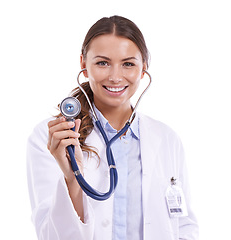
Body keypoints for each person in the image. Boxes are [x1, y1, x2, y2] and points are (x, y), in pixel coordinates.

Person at [27, 15, 199, 240]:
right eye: (102, 63)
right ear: (84, 65)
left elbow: (184, 225)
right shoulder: (54, 137)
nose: (115, 77)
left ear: (143, 68)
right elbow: (50, 235)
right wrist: (72, 178)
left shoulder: (167, 138)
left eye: (128, 64)